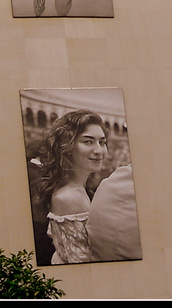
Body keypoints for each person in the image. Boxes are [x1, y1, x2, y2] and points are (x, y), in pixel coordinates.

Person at [33, 110, 107, 265]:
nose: (99, 151)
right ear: (67, 147)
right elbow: (82, 262)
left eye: (102, 142)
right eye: (88, 141)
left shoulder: (80, 188)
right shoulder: (69, 197)